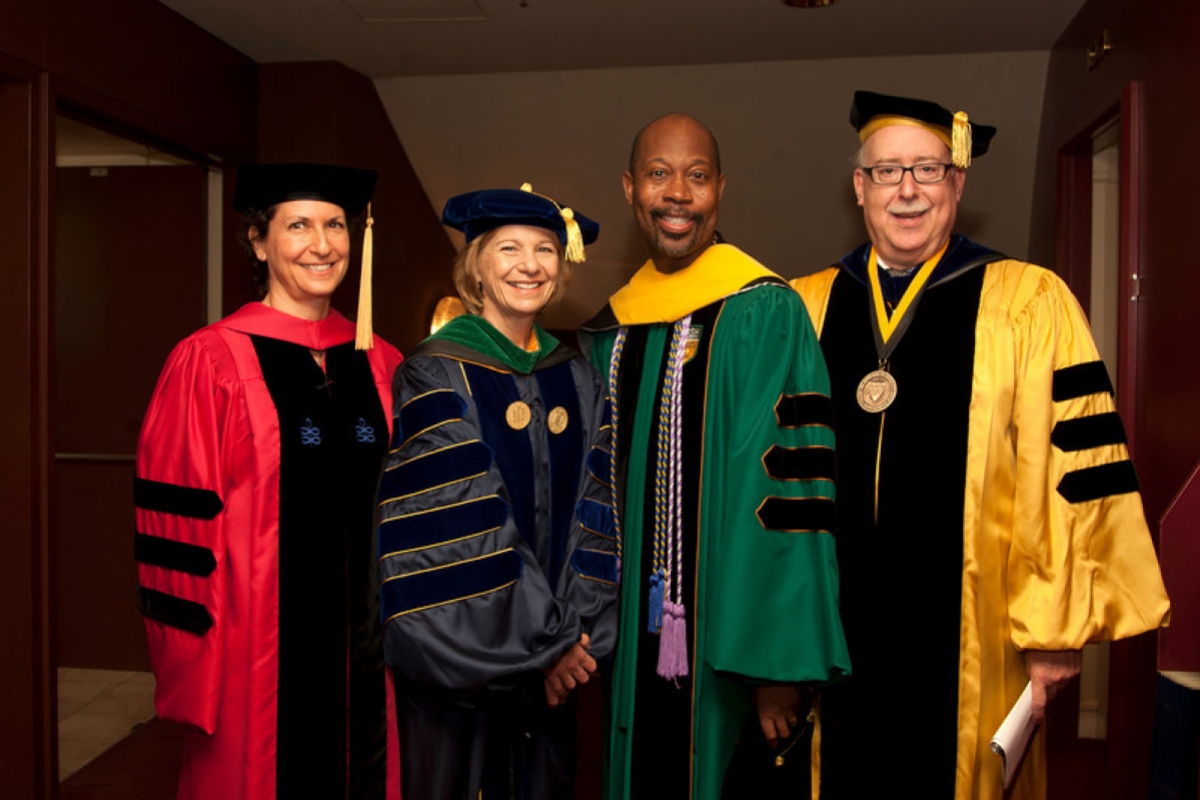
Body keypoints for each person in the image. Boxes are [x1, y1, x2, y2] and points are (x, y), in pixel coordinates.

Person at [791, 90, 1172, 800]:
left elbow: (1071, 468)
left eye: (928, 170)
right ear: (858, 187)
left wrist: (1056, 629)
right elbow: (771, 485)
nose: (907, 189)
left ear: (957, 183)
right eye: (887, 171)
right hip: (831, 633)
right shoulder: (802, 306)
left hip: (977, 629)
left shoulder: (1028, 301)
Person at [578, 113, 850, 800]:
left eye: (697, 177)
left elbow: (791, 495)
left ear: (720, 190)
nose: (678, 193)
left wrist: (775, 668)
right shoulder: (610, 330)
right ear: (630, 188)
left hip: (730, 652)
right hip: (631, 644)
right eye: (659, 174)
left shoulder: (764, 311)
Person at [134, 163, 403, 800]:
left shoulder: (383, 361)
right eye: (299, 225)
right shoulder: (209, 360)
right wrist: (197, 670)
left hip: (374, 658)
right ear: (259, 241)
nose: (323, 244)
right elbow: (175, 528)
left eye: (335, 225)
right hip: (252, 658)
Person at [376, 184, 619, 799]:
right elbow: (458, 523)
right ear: (475, 267)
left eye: (545, 250)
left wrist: (577, 634)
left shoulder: (579, 377)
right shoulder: (433, 372)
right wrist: (551, 641)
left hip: (558, 657)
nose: (529, 265)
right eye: (508, 248)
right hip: (463, 653)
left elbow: (599, 516)